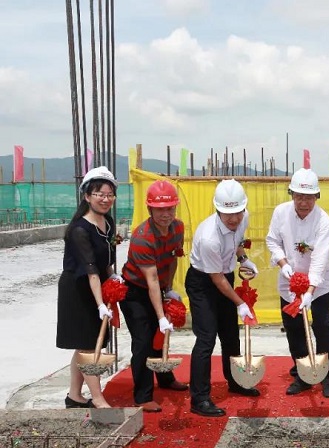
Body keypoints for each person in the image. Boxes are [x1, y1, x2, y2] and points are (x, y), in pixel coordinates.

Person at [185, 179, 261, 417]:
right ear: (217, 209)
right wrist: (240, 303)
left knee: (230, 334)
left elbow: (237, 242)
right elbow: (216, 279)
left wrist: (243, 259)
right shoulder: (209, 238)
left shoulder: (243, 217)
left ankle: (236, 381)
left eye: (238, 212)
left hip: (225, 275)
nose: (234, 219)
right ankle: (199, 398)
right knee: (206, 338)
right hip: (203, 282)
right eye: (228, 214)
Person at [119, 180, 189, 413]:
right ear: (150, 209)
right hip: (135, 291)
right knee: (143, 341)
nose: (166, 214)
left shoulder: (178, 228)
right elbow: (150, 279)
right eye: (160, 209)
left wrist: (169, 288)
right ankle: (143, 395)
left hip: (158, 286)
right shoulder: (142, 237)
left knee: (161, 336)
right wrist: (160, 315)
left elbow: (174, 258)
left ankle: (166, 379)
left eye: (170, 208)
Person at [266, 168, 329, 398]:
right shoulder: (281, 213)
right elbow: (272, 241)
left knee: (322, 327)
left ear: (317, 196)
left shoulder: (324, 221)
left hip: (319, 286)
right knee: (294, 328)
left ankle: (327, 375)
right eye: (299, 196)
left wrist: (310, 291)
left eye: (309, 197)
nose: (303, 202)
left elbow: (319, 259)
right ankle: (302, 374)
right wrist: (283, 263)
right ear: (291, 194)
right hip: (289, 283)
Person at [56, 166, 119, 409]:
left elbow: (106, 261)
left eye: (109, 195)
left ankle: (74, 396)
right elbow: (91, 270)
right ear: (87, 196)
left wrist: (113, 277)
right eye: (99, 194)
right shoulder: (79, 230)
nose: (105, 199)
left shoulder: (108, 222)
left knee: (86, 344)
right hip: (78, 289)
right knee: (88, 344)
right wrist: (101, 304)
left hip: (97, 285)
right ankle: (98, 399)